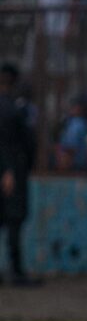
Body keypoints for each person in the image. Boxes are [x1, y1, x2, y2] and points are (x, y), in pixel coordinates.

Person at [0, 63, 39, 286]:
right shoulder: (14, 109)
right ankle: (16, 272)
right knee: (14, 222)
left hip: (10, 171)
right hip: (13, 173)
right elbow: (22, 143)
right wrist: (9, 170)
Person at [57, 93, 87, 171]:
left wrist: (63, 166)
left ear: (79, 108)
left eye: (73, 106)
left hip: (74, 168)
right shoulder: (84, 123)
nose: (70, 108)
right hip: (83, 167)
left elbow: (71, 148)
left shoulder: (77, 124)